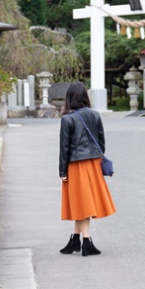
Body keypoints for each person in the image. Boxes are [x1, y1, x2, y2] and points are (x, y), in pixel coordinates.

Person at [58, 82, 116, 257]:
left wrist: (62, 171)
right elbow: (101, 142)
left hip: (75, 164)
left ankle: (86, 241)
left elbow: (64, 148)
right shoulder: (94, 115)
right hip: (93, 163)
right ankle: (74, 239)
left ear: (69, 98)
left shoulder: (67, 119)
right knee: (82, 201)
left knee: (81, 202)